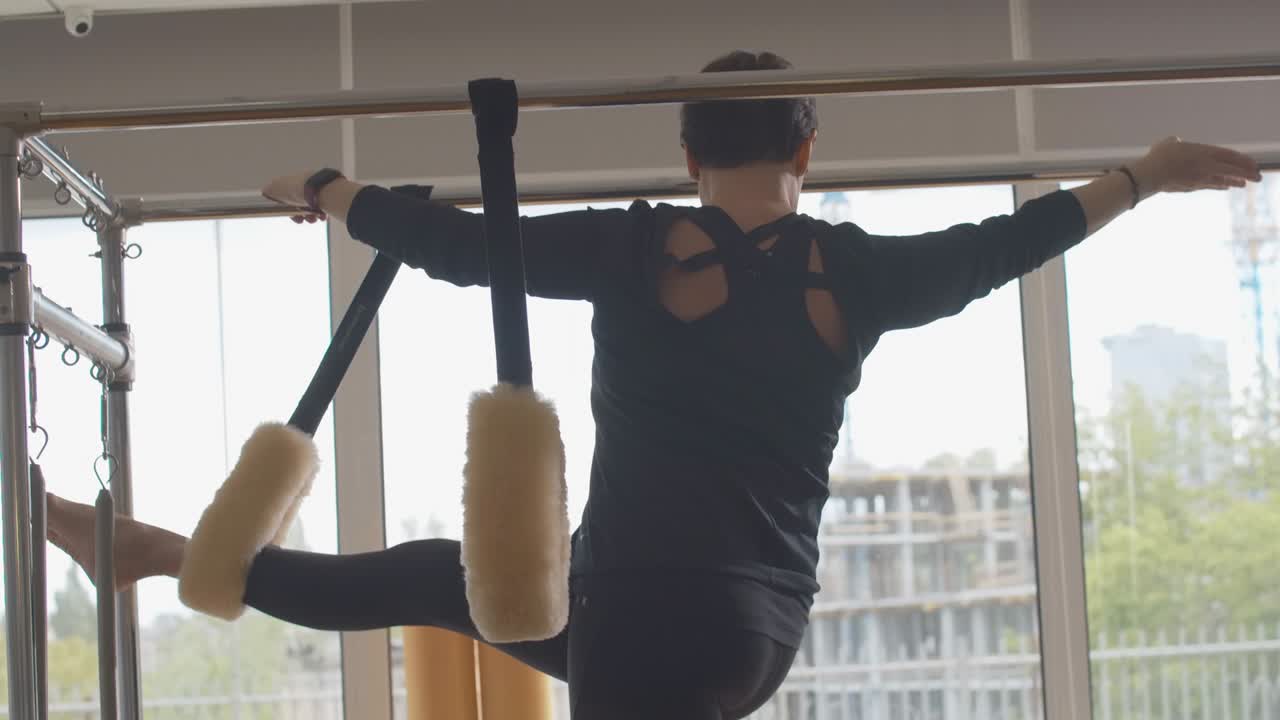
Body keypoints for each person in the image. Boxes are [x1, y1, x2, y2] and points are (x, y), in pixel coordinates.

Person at [45, 50, 1261, 719]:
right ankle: (153, 553)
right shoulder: (861, 273)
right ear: (805, 148)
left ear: (685, 155)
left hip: (618, 608)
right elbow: (1011, 245)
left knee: (445, 584)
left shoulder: (633, 246)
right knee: (434, 577)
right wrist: (1141, 174)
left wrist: (326, 187)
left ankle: (158, 555)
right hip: (747, 631)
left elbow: (460, 245)